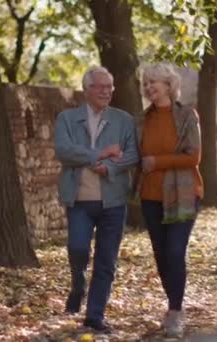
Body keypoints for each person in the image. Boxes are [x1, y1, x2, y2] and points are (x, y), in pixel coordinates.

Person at [54, 66, 139, 334]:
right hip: (79, 199)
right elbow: (63, 151)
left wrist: (110, 167)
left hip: (113, 201)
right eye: (100, 86)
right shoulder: (67, 119)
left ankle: (94, 316)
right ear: (86, 90)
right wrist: (100, 154)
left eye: (109, 87)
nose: (106, 91)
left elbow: (131, 154)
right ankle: (78, 283)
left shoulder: (124, 120)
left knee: (106, 260)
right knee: (78, 249)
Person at [136, 63, 203, 338]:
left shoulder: (187, 115)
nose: (149, 87)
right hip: (151, 196)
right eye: (146, 83)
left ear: (169, 85)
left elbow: (193, 157)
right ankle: (173, 305)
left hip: (184, 193)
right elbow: (134, 155)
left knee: (175, 251)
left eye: (155, 82)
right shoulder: (141, 119)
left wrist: (157, 162)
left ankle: (175, 311)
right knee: (162, 255)